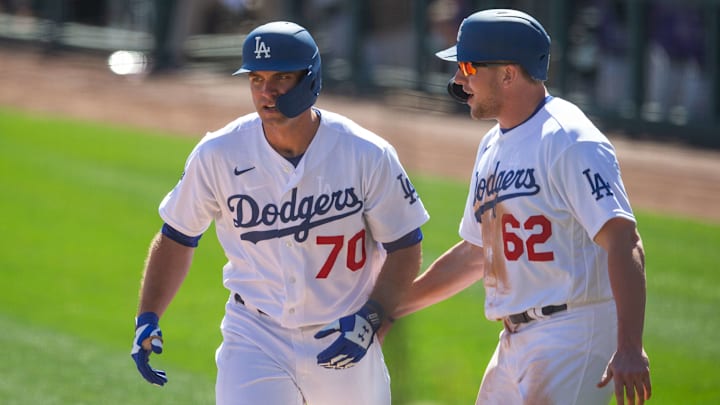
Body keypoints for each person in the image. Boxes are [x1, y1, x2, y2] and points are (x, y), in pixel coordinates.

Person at [130, 21, 429, 405]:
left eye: (281, 78)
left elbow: (405, 244)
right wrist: (148, 316)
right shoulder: (218, 153)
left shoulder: (366, 154)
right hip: (255, 334)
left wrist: (374, 316)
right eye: (256, 79)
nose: (266, 92)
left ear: (310, 80)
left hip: (344, 330)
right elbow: (177, 236)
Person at [389, 9, 652, 405]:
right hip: (515, 341)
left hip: (572, 334)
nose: (458, 80)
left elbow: (624, 240)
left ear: (508, 74)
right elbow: (478, 253)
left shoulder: (568, 139)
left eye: (466, 66)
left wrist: (630, 344)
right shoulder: (493, 144)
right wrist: (389, 307)